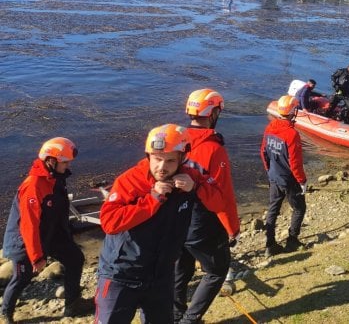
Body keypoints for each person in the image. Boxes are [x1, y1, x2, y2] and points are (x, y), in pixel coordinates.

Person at [96, 124, 223, 324]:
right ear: (148, 156)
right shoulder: (130, 181)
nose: (162, 167)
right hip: (122, 273)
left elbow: (220, 201)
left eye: (170, 160)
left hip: (161, 275)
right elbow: (110, 222)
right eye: (157, 159)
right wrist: (152, 199)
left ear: (182, 158)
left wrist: (197, 187)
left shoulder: (191, 176)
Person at [2, 138, 89, 322]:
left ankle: (72, 304)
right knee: (22, 277)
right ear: (51, 160)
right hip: (25, 241)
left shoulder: (56, 179)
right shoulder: (33, 186)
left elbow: (56, 212)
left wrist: (67, 234)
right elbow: (28, 224)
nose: (68, 165)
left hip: (50, 235)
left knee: (75, 258)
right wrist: (36, 257)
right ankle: (5, 313)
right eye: (65, 162)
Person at [174, 89, 240, 324]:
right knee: (216, 271)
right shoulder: (214, 149)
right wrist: (232, 228)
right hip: (200, 223)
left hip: (175, 219)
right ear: (212, 113)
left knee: (181, 267)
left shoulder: (177, 141)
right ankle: (189, 320)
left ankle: (174, 315)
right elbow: (223, 197)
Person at [260, 95, 307, 257]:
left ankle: (270, 244)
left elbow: (263, 153)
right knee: (300, 208)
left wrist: (269, 171)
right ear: (293, 112)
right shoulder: (291, 134)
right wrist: (302, 181)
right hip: (288, 180)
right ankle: (292, 240)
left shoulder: (270, 127)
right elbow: (295, 162)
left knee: (273, 209)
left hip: (274, 176)